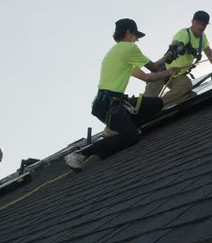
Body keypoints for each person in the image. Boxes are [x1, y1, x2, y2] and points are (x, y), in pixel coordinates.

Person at [64, 18, 177, 171]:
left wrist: (166, 58)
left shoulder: (117, 53)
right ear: (128, 32)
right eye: (136, 35)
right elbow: (155, 69)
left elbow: (146, 77)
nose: (137, 40)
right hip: (109, 105)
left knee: (156, 104)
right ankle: (80, 154)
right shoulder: (129, 48)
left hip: (110, 103)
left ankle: (130, 126)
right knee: (131, 138)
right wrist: (170, 69)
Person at [143, 10, 212, 104]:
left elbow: (210, 55)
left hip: (177, 75)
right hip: (162, 71)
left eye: (204, 24)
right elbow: (174, 45)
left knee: (186, 85)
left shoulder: (202, 38)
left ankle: (159, 105)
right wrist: (178, 48)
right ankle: (144, 108)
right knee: (149, 97)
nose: (201, 27)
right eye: (198, 23)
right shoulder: (184, 34)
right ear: (192, 22)